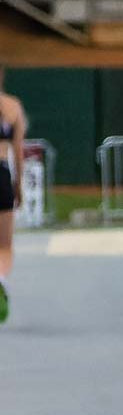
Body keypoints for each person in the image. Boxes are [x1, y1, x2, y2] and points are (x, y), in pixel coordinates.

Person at [0, 68, 27, 324]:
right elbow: (18, 152)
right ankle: (1, 279)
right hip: (1, 174)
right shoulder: (12, 106)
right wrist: (18, 186)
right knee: (5, 244)